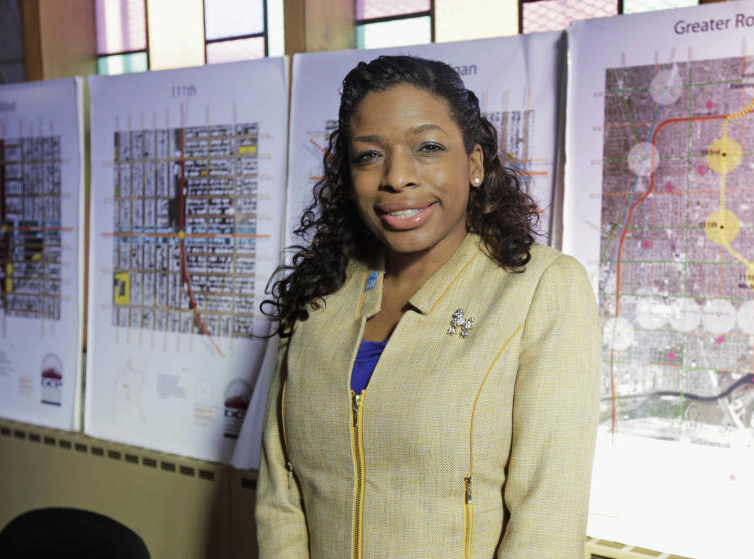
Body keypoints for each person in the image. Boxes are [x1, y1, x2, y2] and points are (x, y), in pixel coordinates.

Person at [256, 55, 600, 558]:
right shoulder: (319, 292)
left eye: (428, 147)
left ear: (475, 164)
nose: (397, 177)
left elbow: (546, 520)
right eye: (369, 155)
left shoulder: (541, 290)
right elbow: (279, 495)